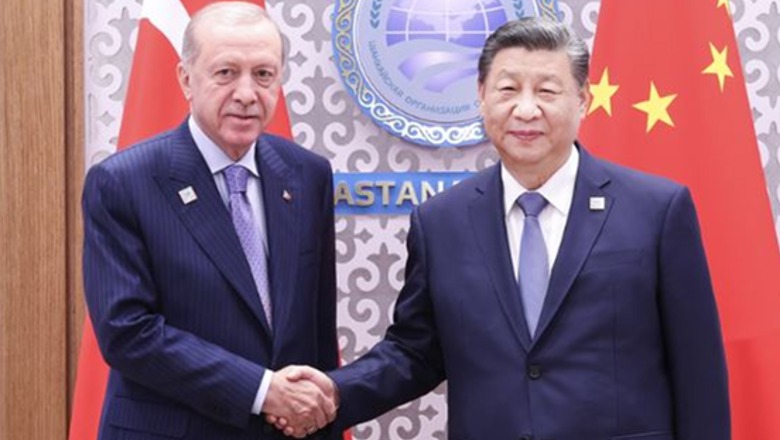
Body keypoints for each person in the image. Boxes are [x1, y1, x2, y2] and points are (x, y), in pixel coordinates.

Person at [279, 17, 731, 440]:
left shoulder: (656, 210)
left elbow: (698, 370)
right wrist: (335, 392)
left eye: (547, 91)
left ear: (583, 98)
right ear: (481, 95)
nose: (526, 109)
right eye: (508, 89)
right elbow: (415, 351)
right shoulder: (442, 221)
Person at [82, 2, 340, 439]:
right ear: (186, 78)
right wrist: (262, 391)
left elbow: (317, 334)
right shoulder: (123, 182)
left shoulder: (307, 175)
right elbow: (128, 333)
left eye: (263, 74)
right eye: (226, 73)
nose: (247, 93)